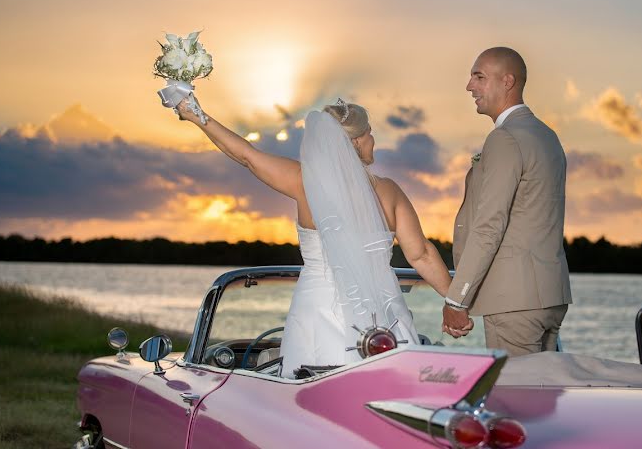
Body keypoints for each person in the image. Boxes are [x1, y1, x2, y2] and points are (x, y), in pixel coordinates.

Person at [173, 96, 452, 378]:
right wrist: (456, 303)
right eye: (369, 134)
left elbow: (246, 155)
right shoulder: (389, 191)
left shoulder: (305, 182)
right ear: (355, 142)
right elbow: (421, 255)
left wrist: (196, 116)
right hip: (382, 312)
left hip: (319, 309)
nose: (373, 140)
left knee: (312, 391)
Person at [441, 46, 572, 356]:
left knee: (515, 399)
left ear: (507, 82)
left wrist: (457, 299)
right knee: (540, 397)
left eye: (479, 77)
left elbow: (489, 226)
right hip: (549, 296)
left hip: (514, 302)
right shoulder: (547, 136)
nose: (469, 86)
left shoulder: (505, 138)